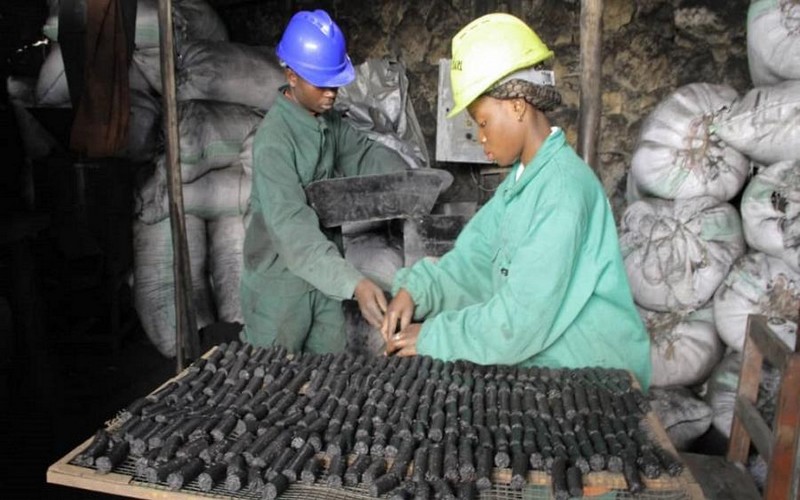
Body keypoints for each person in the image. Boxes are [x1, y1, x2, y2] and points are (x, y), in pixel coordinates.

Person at [381, 13, 651, 389]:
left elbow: (520, 320)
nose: (481, 138)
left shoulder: (562, 191)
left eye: (483, 122)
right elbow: (475, 260)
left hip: (593, 371)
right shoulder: (521, 184)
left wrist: (433, 335)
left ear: (517, 106)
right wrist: (419, 290)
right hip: (551, 359)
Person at [241, 9, 408, 354]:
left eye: (335, 84)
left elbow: (363, 154)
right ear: (291, 76)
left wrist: (410, 181)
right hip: (279, 287)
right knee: (270, 378)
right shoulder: (274, 141)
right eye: (322, 84)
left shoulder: (328, 122)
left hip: (325, 279)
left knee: (328, 373)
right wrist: (354, 283)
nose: (332, 93)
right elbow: (293, 230)